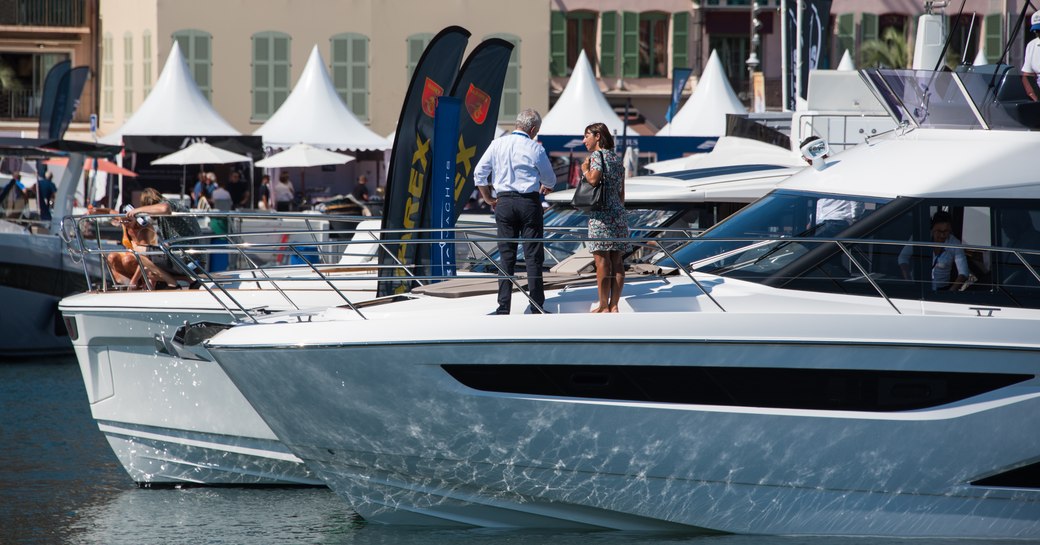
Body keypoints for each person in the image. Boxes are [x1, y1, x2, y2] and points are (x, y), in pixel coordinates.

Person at [473, 108, 555, 314]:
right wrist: (545, 185)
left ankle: (503, 307)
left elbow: (479, 174)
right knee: (533, 257)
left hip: (504, 202)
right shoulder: (535, 148)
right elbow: (550, 179)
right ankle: (536, 306)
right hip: (528, 202)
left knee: (506, 256)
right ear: (533, 129)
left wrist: (488, 198)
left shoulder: (497, 144)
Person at [581, 122, 628, 313]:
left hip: (601, 216)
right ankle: (614, 305)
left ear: (597, 136)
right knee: (617, 261)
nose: (584, 140)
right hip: (618, 213)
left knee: (601, 261)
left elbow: (593, 179)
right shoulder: (617, 159)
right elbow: (622, 194)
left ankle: (602, 306)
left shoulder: (596, 157)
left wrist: (584, 168)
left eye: (586, 136)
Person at [898, 210, 970, 291]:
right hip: (918, 286)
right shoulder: (920, 236)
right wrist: (908, 281)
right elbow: (903, 257)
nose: (942, 235)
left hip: (942, 289)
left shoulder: (955, 243)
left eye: (946, 231)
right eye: (939, 231)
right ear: (932, 228)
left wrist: (950, 292)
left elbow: (964, 273)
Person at [1022, 12, 1040, 102]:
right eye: (1036, 30)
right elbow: (1027, 75)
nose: (1037, 33)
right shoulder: (1031, 45)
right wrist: (1033, 96)